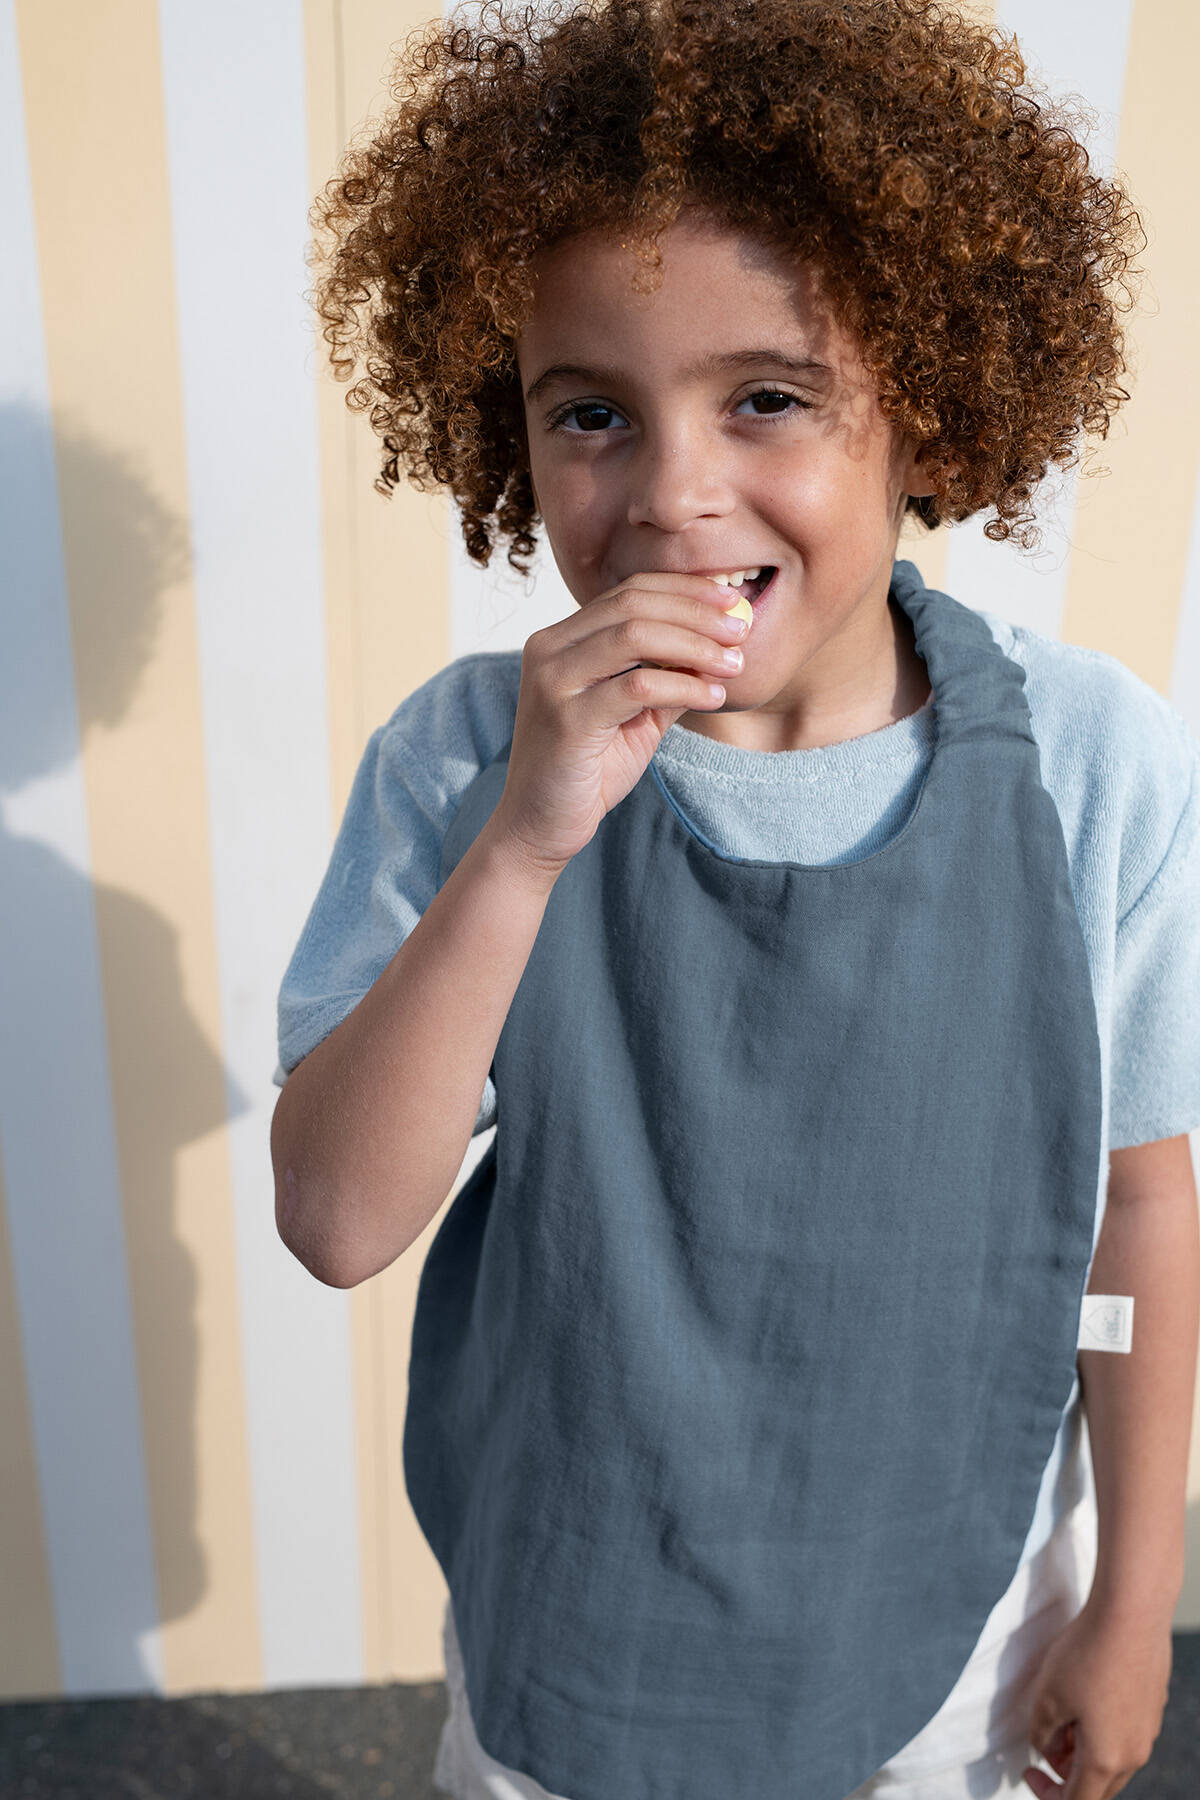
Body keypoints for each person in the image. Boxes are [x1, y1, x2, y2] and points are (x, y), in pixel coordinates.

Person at [269, 2, 1200, 1796]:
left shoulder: (1094, 766)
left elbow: (1133, 1215)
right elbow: (334, 1218)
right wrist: (529, 840)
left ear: (925, 400)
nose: (678, 497)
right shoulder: (466, 763)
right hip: (570, 1634)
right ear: (508, 430)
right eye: (593, 414)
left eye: (766, 398)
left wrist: (1135, 1595)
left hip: (952, 1658)